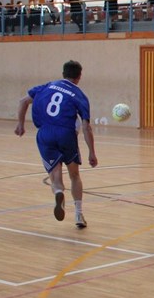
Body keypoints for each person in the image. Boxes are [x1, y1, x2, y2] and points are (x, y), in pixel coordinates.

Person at [14, 60, 98, 228]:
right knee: (74, 175)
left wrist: (20, 124)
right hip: (66, 134)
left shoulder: (47, 86)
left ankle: (59, 191)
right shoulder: (80, 95)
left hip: (45, 134)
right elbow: (86, 127)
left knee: (55, 176)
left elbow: (23, 101)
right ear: (79, 77)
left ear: (63, 74)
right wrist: (92, 152)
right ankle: (78, 214)